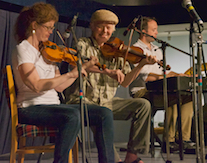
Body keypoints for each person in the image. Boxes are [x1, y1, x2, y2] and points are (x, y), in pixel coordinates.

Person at [12, 2, 115, 163]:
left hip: (54, 106)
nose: (51, 32)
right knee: (71, 115)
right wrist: (72, 73)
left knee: (104, 113)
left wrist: (78, 73)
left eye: (52, 28)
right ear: (34, 25)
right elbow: (36, 85)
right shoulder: (23, 49)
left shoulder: (47, 51)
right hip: (30, 107)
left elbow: (59, 86)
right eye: (48, 27)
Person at [64, 9, 157, 163]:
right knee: (101, 113)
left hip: (107, 102)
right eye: (101, 26)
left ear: (114, 29)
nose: (105, 31)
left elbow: (126, 82)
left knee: (143, 105)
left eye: (109, 27)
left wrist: (141, 64)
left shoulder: (118, 50)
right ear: (93, 26)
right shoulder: (82, 44)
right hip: (82, 101)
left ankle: (132, 157)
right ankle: (113, 160)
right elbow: (78, 65)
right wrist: (107, 71)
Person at [129, 16, 195, 152]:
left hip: (158, 90)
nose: (156, 33)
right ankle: (168, 141)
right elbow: (146, 77)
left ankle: (184, 139)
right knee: (171, 98)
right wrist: (171, 75)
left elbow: (163, 73)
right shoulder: (134, 50)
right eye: (154, 30)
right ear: (143, 31)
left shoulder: (157, 50)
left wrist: (179, 74)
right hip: (142, 91)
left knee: (189, 97)